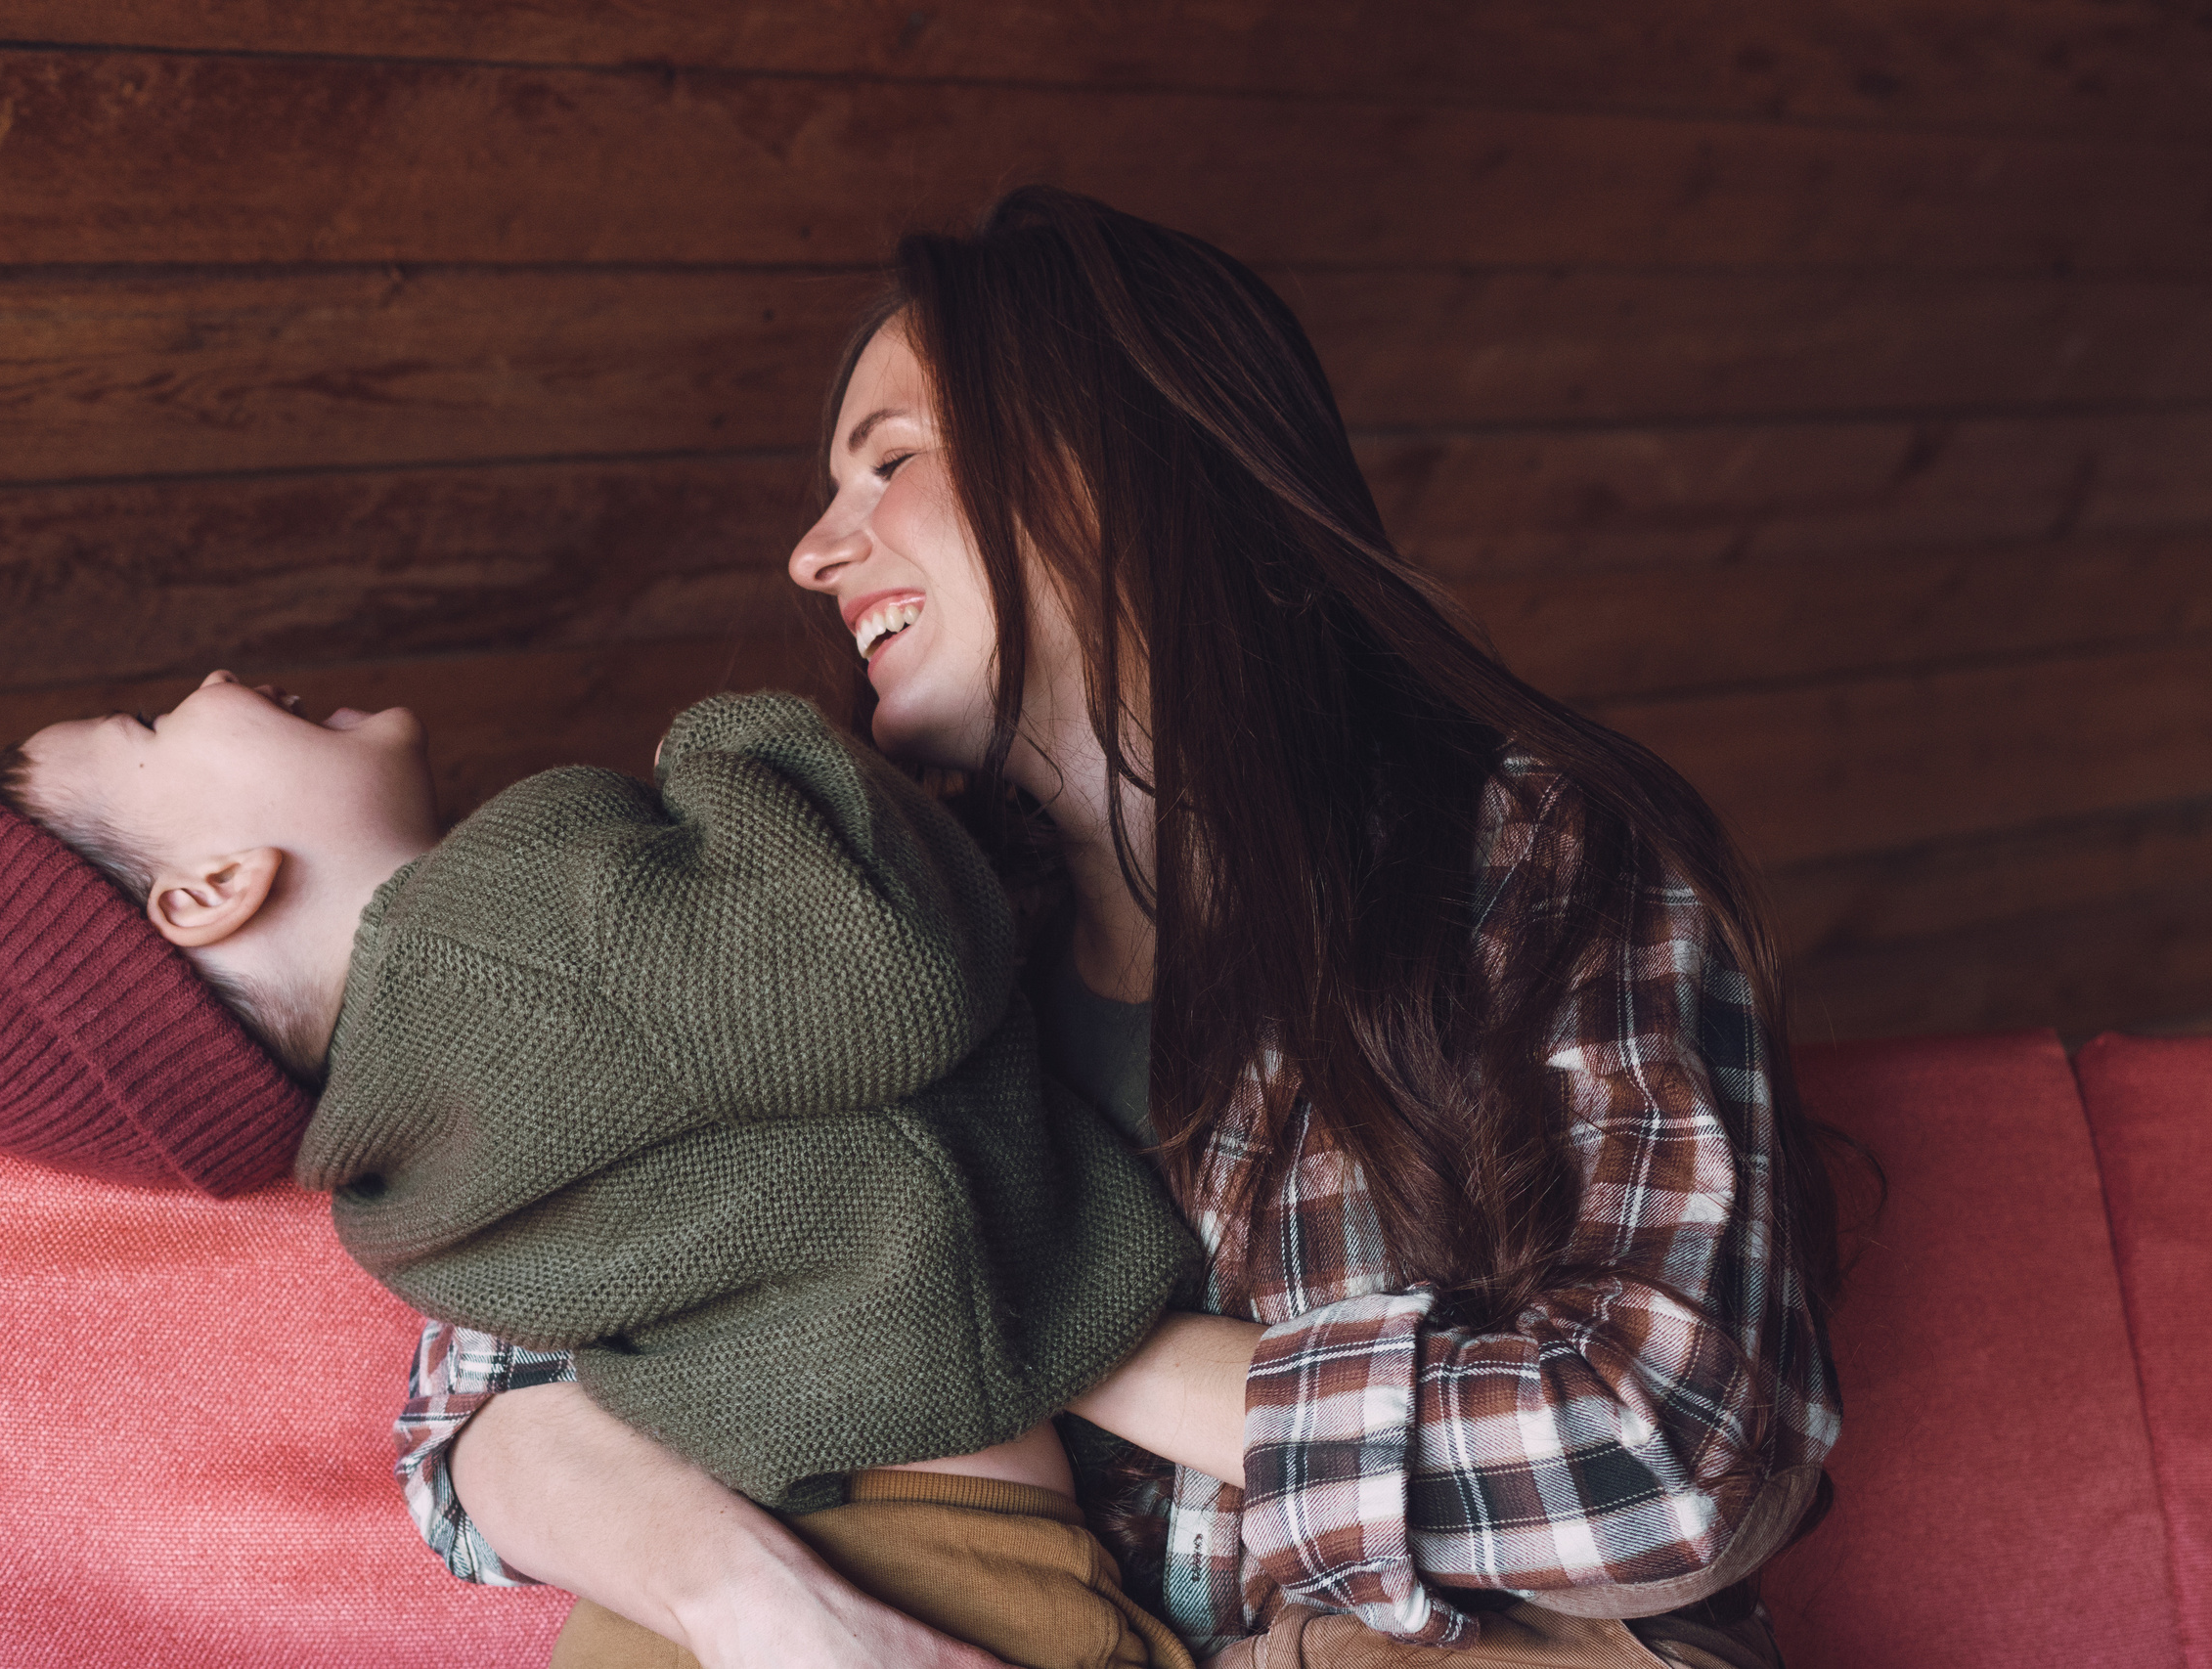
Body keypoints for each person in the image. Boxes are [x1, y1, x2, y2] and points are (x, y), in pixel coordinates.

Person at [409, 188, 1845, 1669]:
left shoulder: (1535, 852)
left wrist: (1040, 1317)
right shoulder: (819, 907)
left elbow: (1671, 1464)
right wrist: (778, 1614)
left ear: (1115, 462)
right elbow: (475, 1402)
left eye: (890, 462)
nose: (813, 554)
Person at [0, 679, 1202, 1669]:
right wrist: (740, 733)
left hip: (665, 1614)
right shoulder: (504, 921)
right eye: (150, 723)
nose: (218, 682)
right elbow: (889, 963)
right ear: (209, 892)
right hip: (927, 1557)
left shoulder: (385, 1185)